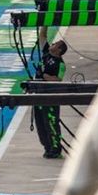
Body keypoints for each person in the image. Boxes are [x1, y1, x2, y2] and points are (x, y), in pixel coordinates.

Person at [32, 27, 68, 158]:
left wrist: (45, 76)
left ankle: (55, 149)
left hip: (50, 96)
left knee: (51, 121)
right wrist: (45, 23)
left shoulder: (60, 64)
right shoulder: (46, 52)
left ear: (59, 50)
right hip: (38, 93)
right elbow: (42, 36)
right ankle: (47, 147)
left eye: (56, 44)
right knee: (40, 122)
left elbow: (58, 79)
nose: (52, 44)